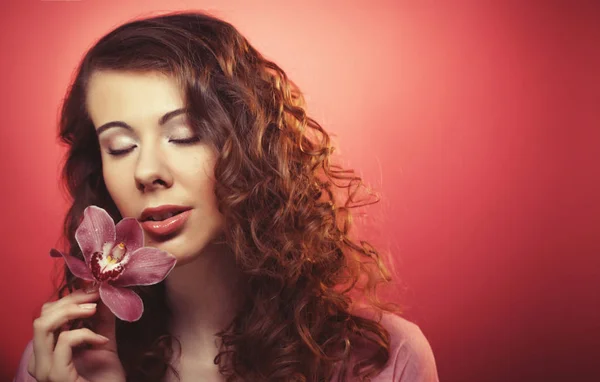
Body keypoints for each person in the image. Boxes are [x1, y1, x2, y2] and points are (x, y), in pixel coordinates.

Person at [13, 11, 439, 382]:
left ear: (250, 148)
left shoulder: (383, 362)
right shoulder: (60, 361)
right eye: (120, 147)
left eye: (184, 136)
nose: (146, 172)